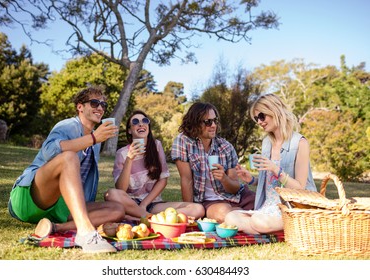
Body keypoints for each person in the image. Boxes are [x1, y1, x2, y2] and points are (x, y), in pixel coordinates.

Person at [8, 87, 125, 253]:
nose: (100, 108)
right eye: (94, 103)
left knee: (117, 209)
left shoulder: (97, 141)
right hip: (31, 200)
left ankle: (56, 227)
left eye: (103, 105)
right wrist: (93, 138)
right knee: (69, 157)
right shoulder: (68, 126)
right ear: (80, 107)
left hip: (61, 208)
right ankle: (85, 232)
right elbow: (49, 151)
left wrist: (95, 139)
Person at [225, 93, 317, 234]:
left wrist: (276, 169)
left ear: (275, 111)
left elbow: (300, 188)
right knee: (231, 217)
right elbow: (271, 184)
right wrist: (252, 180)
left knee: (258, 221)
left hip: (290, 207)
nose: (259, 122)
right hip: (268, 207)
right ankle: (277, 229)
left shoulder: (300, 143)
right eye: (256, 118)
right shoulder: (267, 143)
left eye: (262, 116)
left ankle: (277, 226)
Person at [104, 110, 205, 220]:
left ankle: (142, 218)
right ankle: (151, 218)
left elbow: (163, 180)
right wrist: (129, 158)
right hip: (129, 203)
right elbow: (120, 189)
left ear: (148, 127)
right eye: (135, 122)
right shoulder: (122, 153)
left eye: (145, 121)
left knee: (197, 209)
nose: (141, 124)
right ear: (129, 130)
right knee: (111, 194)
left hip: (152, 203)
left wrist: (144, 204)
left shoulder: (156, 146)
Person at [171, 102, 256, 223]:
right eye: (208, 122)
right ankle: (246, 215)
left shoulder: (225, 147)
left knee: (266, 204)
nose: (213, 125)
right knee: (224, 213)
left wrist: (224, 179)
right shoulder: (183, 142)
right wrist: (191, 210)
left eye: (215, 121)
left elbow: (235, 188)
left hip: (237, 196)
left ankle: (243, 213)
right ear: (195, 123)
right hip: (209, 202)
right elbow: (186, 179)